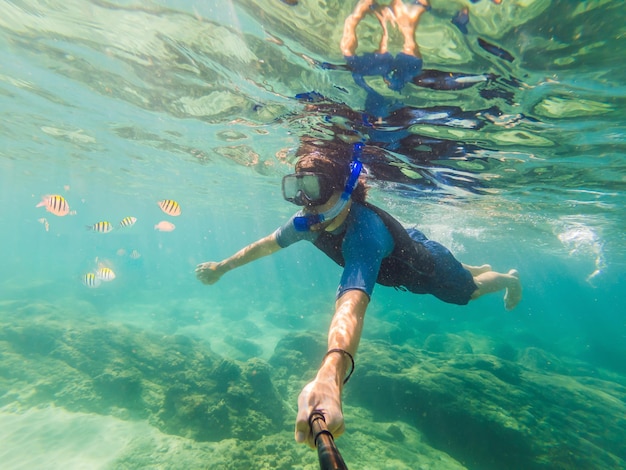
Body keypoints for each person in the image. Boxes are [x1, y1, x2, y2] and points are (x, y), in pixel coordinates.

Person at [195, 141, 522, 447]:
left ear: (346, 190)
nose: (307, 205)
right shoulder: (309, 221)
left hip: (427, 272)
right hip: (410, 242)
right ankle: (478, 266)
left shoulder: (364, 236)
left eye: (315, 189)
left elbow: (350, 306)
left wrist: (330, 375)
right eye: (299, 190)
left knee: (471, 291)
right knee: (453, 264)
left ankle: (507, 280)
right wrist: (221, 267)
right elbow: (265, 245)